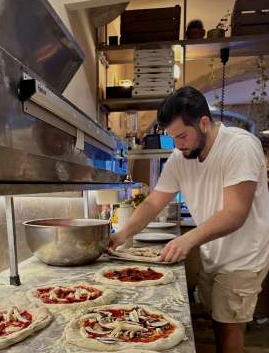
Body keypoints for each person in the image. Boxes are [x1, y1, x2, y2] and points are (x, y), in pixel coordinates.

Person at [109, 86, 269, 353]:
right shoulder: (180, 157)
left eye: (182, 136)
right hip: (213, 252)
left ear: (204, 122)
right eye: (173, 138)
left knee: (229, 327)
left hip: (243, 255)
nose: (178, 145)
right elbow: (152, 202)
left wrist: (188, 239)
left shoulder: (240, 146)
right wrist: (121, 234)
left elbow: (235, 212)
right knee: (216, 320)